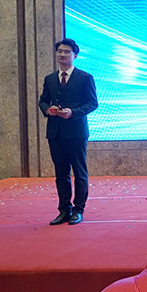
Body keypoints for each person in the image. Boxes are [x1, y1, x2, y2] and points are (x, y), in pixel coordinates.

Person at [39, 38, 98, 225]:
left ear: (75, 56)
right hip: (55, 132)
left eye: (66, 52)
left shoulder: (85, 78)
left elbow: (92, 103)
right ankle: (64, 210)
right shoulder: (50, 79)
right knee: (61, 173)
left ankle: (78, 210)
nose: (62, 55)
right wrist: (47, 110)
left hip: (76, 132)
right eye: (60, 51)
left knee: (79, 172)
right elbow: (43, 100)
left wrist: (73, 112)